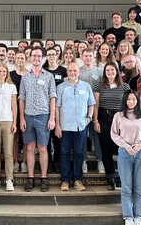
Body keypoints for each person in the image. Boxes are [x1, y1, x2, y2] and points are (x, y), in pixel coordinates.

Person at [19, 46, 57, 192]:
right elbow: (21, 98)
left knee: (42, 148)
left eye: (39, 56)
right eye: (33, 56)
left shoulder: (48, 76)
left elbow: (52, 97)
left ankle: (43, 178)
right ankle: (30, 178)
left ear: (43, 58)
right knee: (29, 148)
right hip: (28, 116)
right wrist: (21, 118)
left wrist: (52, 118)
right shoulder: (25, 77)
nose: (36, 58)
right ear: (30, 58)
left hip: (43, 116)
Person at [111, 90, 141, 225]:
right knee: (126, 187)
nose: (131, 102)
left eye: (134, 99)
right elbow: (114, 134)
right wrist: (127, 146)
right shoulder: (119, 116)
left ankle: (138, 216)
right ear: (125, 100)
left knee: (139, 188)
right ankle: (128, 216)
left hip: (140, 153)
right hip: (124, 152)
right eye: (129, 99)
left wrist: (140, 145)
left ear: (137, 101)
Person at [55, 62, 95, 191]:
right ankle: (65, 180)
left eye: (75, 71)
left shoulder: (86, 86)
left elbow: (91, 104)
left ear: (79, 72)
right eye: (70, 71)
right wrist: (57, 125)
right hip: (65, 126)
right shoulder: (61, 88)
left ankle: (78, 179)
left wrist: (89, 118)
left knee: (79, 153)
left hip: (81, 126)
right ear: (67, 72)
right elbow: (57, 107)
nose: (73, 73)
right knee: (64, 153)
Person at [93, 62, 130, 190]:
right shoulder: (99, 85)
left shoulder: (124, 86)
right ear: (104, 72)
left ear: (117, 71)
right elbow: (96, 104)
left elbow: (128, 105)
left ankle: (121, 176)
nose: (110, 72)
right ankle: (110, 177)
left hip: (120, 119)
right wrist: (95, 121)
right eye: (107, 70)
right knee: (106, 148)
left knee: (120, 148)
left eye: (112, 70)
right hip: (103, 118)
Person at [79, 48, 104, 174]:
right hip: (82, 109)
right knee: (82, 136)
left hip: (96, 108)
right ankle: (83, 161)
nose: (88, 58)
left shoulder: (99, 72)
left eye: (90, 56)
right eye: (86, 56)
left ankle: (100, 161)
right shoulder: (78, 72)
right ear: (81, 57)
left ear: (94, 57)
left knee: (96, 136)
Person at [43, 47, 67, 173]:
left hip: (60, 108)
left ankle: (57, 162)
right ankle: (46, 163)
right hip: (45, 108)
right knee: (46, 138)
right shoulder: (43, 70)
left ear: (58, 56)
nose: (52, 56)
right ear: (47, 56)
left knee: (58, 138)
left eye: (54, 54)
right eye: (49, 54)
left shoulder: (63, 70)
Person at [10, 51, 29, 173]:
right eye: (18, 58)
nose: (20, 60)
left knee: (27, 137)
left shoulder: (30, 74)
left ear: (26, 60)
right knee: (14, 136)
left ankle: (24, 162)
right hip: (13, 109)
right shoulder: (10, 75)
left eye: (22, 58)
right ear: (15, 60)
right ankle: (16, 162)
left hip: (28, 109)